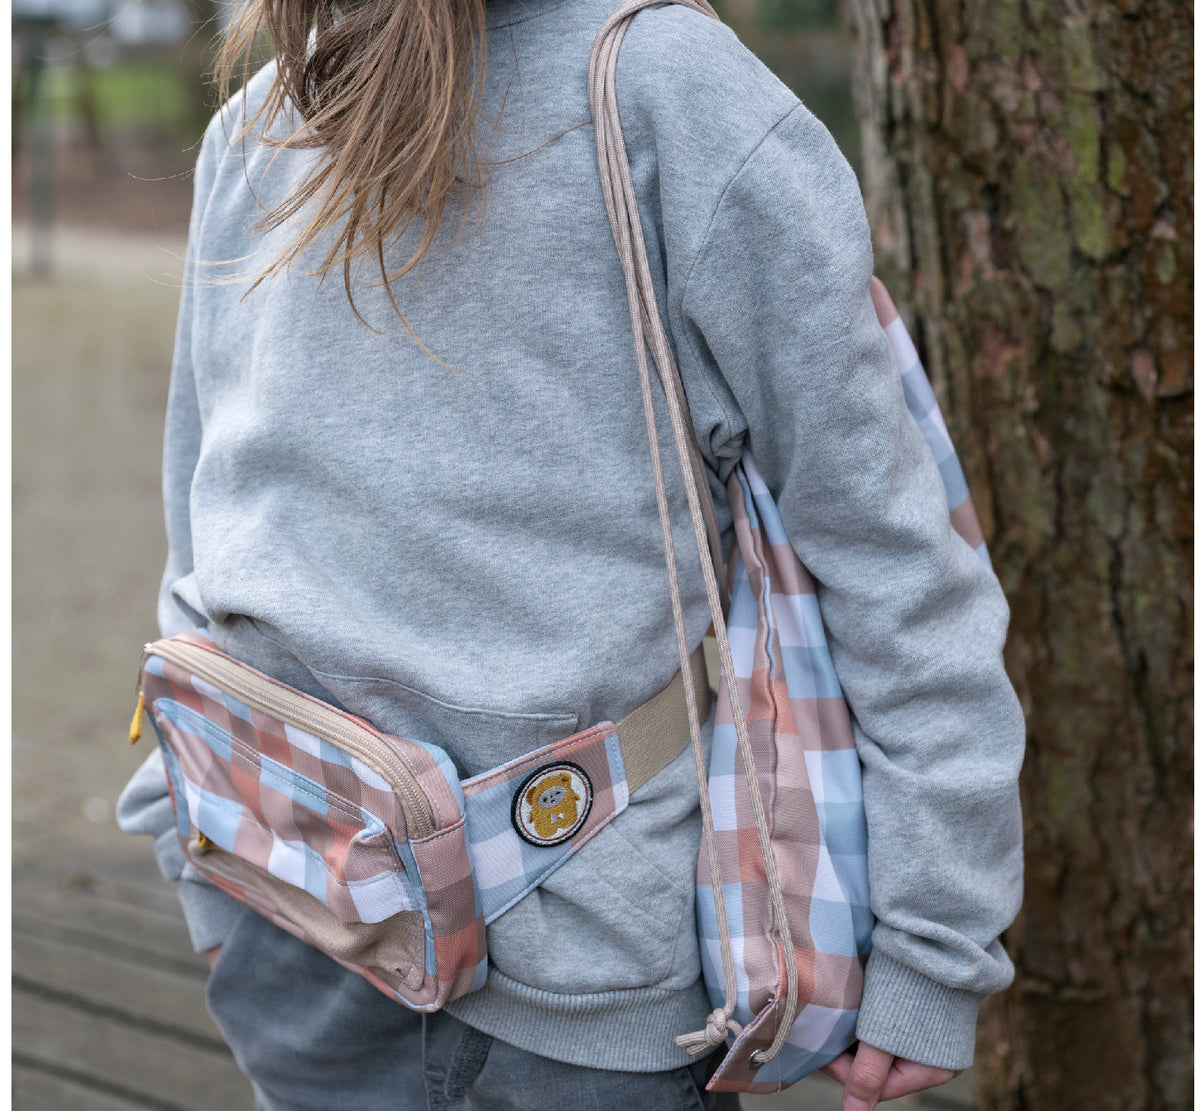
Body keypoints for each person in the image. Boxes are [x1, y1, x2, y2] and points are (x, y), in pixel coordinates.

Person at [117, 0, 1025, 1107]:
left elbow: (200, 540)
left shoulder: (646, 98)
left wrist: (934, 942)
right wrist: (937, 942)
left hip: (450, 968)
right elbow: (892, 562)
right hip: (348, 936)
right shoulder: (276, 122)